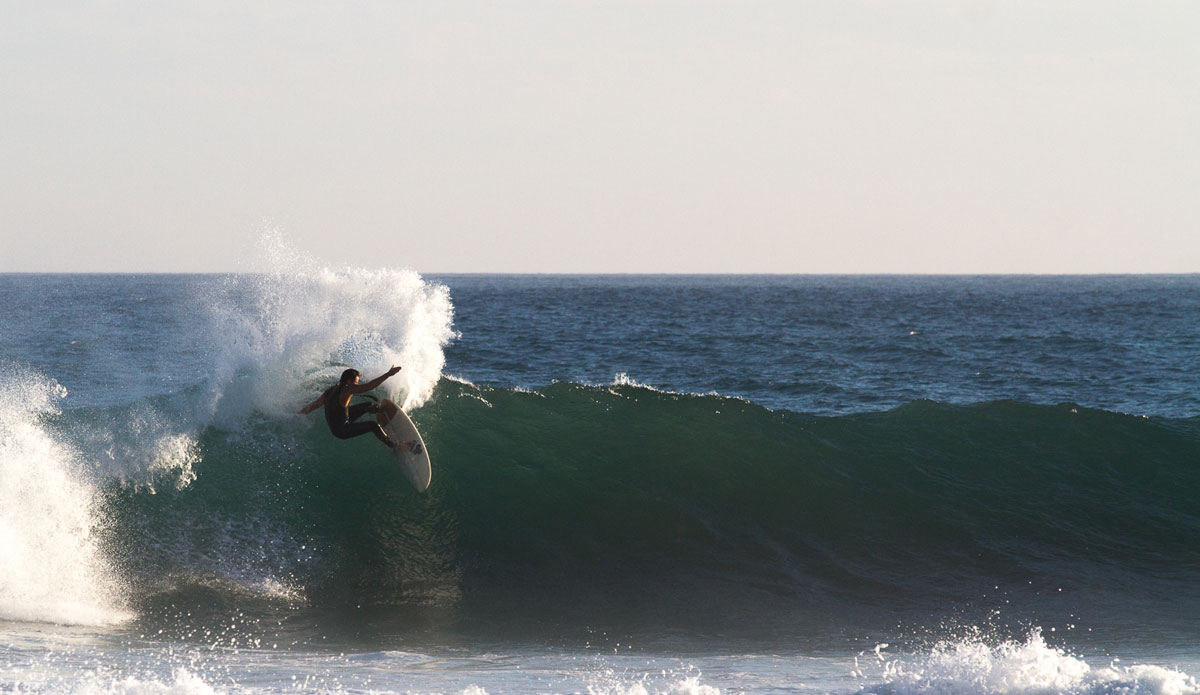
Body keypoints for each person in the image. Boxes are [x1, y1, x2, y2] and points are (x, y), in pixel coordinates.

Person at [299, 366, 414, 450]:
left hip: (339, 423)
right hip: (342, 430)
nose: (357, 385)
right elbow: (369, 386)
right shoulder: (348, 389)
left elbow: (314, 405)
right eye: (356, 382)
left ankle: (381, 412)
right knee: (373, 426)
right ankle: (395, 446)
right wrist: (388, 374)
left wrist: (298, 415)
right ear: (349, 381)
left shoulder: (330, 390)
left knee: (368, 405)